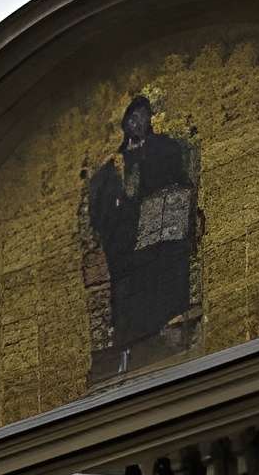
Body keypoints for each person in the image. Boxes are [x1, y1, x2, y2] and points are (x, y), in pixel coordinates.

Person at [85, 95, 198, 372]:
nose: (138, 122)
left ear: (150, 119)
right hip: (125, 241)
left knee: (163, 271)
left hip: (157, 233)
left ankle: (166, 333)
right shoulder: (113, 166)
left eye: (143, 116)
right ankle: (126, 350)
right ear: (124, 124)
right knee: (126, 291)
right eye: (132, 117)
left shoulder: (164, 148)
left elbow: (176, 179)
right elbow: (103, 201)